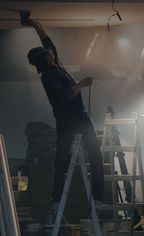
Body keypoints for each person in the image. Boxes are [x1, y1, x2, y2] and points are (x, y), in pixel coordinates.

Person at [21, 17, 104, 207]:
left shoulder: (55, 65)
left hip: (81, 117)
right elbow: (64, 97)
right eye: (46, 54)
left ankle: (98, 196)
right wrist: (81, 84)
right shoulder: (48, 77)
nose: (50, 53)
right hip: (67, 122)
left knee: (95, 154)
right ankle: (57, 198)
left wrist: (35, 25)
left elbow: (48, 43)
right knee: (63, 160)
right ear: (42, 60)